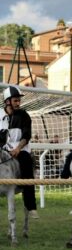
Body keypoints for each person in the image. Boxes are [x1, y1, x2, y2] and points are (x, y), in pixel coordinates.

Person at [0, 86, 39, 219]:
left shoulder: (24, 115)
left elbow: (26, 136)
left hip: (20, 150)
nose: (18, 103)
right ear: (7, 101)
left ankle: (31, 206)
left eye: (18, 101)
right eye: (15, 100)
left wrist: (17, 149)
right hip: (2, 151)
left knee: (27, 164)